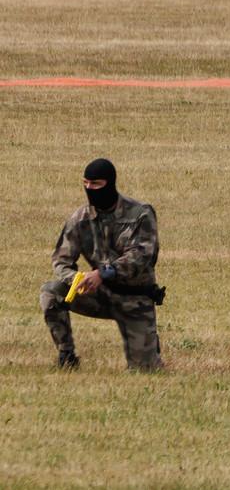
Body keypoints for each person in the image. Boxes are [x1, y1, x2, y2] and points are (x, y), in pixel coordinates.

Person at [41, 158, 162, 370]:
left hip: (135, 298)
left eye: (96, 184)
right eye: (85, 183)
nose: (89, 188)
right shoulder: (80, 218)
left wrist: (103, 273)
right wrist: (77, 279)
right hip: (98, 295)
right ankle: (66, 355)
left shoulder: (141, 213)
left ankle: (148, 342)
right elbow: (61, 260)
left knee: (145, 371)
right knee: (51, 292)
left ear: (110, 183)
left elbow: (142, 256)